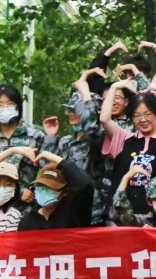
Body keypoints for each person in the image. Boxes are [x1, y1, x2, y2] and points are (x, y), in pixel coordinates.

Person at [100, 80, 156, 222]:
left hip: (155, 217)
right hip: (121, 215)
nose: (143, 119)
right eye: (136, 116)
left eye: (148, 114)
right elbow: (104, 119)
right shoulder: (124, 138)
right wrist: (114, 87)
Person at [0, 83, 47, 211]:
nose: (4, 108)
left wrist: (51, 138)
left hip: (26, 209)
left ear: (18, 106)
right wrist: (19, 192)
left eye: (10, 103)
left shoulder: (35, 136)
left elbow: (48, 171)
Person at [43, 75, 108, 225]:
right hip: (65, 209)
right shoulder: (65, 141)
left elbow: (92, 129)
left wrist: (86, 95)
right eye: (69, 109)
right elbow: (47, 169)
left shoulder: (100, 138)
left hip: (92, 212)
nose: (71, 113)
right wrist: (51, 137)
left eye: (76, 109)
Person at [18, 152, 95, 230]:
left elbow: (84, 185)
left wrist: (56, 159)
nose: (44, 190)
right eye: (40, 185)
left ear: (64, 192)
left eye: (50, 187)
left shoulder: (74, 212)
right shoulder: (27, 221)